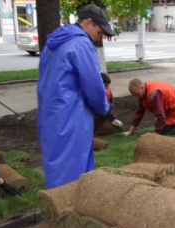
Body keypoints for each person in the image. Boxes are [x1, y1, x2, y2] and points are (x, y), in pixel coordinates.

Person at [37, 4, 115, 189]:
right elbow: (94, 86)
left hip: (50, 114)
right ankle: (69, 212)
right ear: (88, 22)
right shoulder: (81, 44)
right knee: (74, 169)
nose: (101, 36)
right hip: (71, 116)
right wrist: (105, 108)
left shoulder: (54, 43)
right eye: (100, 30)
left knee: (56, 165)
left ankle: (56, 207)